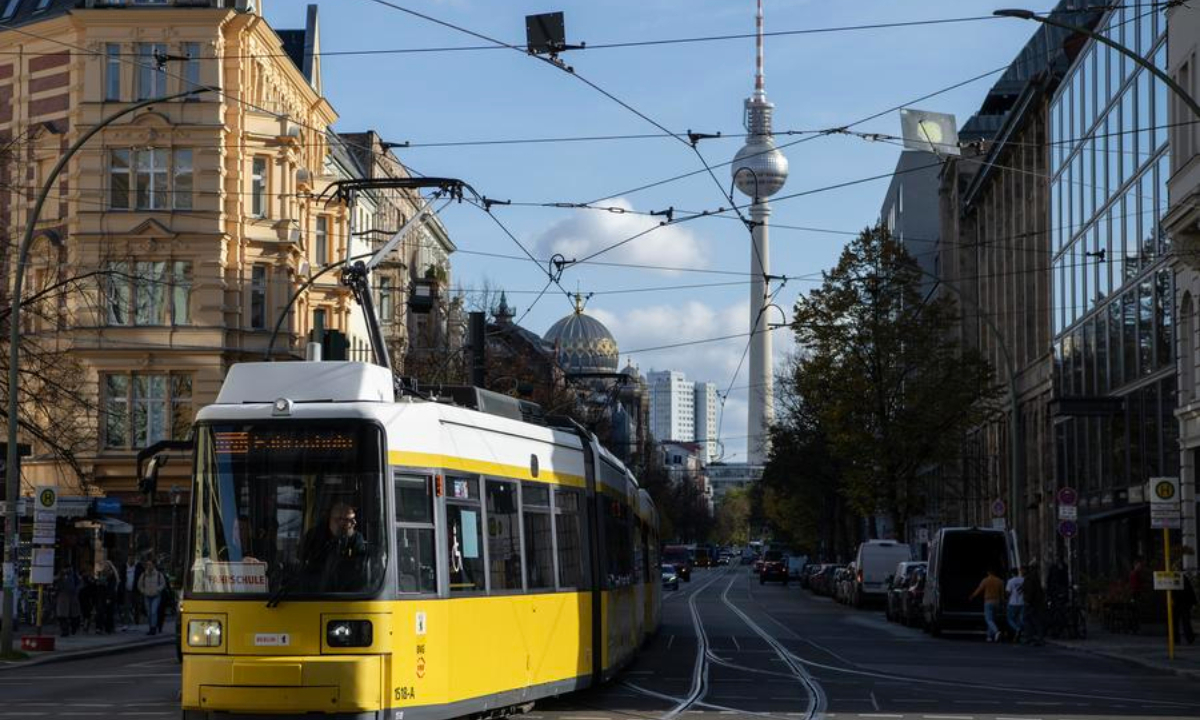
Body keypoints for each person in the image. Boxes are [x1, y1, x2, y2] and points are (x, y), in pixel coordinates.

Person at [300, 501, 369, 592]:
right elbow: (300, 560)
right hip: (314, 591)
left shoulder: (356, 538)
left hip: (347, 592)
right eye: (350, 519)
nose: (355, 523)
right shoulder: (314, 536)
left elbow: (360, 566)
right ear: (338, 521)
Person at [970, 567, 1006, 643]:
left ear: (988, 572)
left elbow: (979, 589)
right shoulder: (1000, 581)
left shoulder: (985, 580)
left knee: (988, 619)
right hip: (997, 602)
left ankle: (996, 631)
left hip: (988, 601)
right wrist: (1003, 603)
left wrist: (973, 596)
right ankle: (989, 636)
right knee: (992, 619)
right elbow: (1002, 594)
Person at [138, 558, 167, 635]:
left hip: (156, 596)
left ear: (153, 565)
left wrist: (158, 590)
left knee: (153, 612)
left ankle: (153, 628)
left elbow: (163, 584)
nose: (148, 566)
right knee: (149, 612)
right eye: (147, 564)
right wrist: (143, 591)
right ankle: (151, 626)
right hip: (147, 596)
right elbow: (140, 585)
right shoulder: (144, 575)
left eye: (150, 564)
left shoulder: (158, 575)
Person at [54, 567, 81, 637]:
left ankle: (68, 630)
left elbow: (79, 585)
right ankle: (67, 630)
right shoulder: (62, 577)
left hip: (66, 597)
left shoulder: (72, 576)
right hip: (65, 598)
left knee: (66, 616)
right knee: (65, 616)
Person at [1022, 564, 1046, 646]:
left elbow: (1030, 591)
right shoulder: (1034, 578)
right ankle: (1036, 638)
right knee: (1034, 620)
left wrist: (1027, 601)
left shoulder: (1029, 578)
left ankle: (1031, 637)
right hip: (1036, 603)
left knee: (1028, 619)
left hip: (1032, 603)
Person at [120, 555, 143, 630]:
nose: (130, 561)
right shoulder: (124, 566)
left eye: (132, 559)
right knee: (126, 607)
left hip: (136, 589)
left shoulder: (138, 567)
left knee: (137, 606)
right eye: (129, 559)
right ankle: (125, 623)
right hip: (127, 589)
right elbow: (122, 576)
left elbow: (142, 576)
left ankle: (137, 622)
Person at [1005, 567, 1025, 642]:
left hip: (1012, 603)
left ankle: (1017, 629)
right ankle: (1021, 633)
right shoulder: (1023, 580)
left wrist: (1006, 600)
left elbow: (1008, 592)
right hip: (1022, 602)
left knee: (1010, 619)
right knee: (1020, 619)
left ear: (1012, 574)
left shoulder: (1010, 581)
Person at [1176, 572, 1196, 646]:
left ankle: (1177, 638)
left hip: (1179, 602)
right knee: (1186, 621)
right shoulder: (1183, 578)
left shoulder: (1178, 578)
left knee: (1179, 621)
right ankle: (1189, 638)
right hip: (1184, 602)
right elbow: (1190, 590)